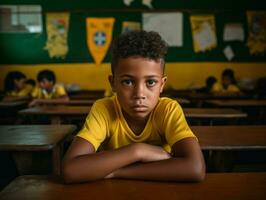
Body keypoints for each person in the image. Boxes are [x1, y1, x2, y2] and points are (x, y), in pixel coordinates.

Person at [63, 30, 205, 183]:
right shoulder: (104, 109)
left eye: (150, 82)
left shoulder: (168, 110)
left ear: (162, 84)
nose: (139, 94)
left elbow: (195, 169)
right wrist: (138, 151)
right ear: (113, 83)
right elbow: (71, 171)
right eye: (128, 82)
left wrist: (118, 172)